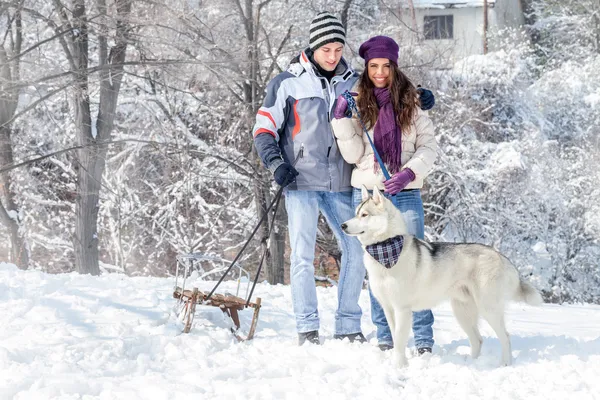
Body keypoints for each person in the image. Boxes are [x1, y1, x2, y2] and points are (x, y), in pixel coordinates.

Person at [253, 13, 435, 346]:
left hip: (342, 180)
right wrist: (276, 163)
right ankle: (307, 327)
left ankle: (348, 324)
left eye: (338, 49)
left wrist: (421, 96)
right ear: (313, 46)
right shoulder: (287, 82)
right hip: (300, 182)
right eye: (327, 49)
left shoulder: (353, 81)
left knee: (355, 249)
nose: (333, 56)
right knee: (302, 256)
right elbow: (263, 128)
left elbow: (388, 90)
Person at [331, 35, 437, 354]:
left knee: (415, 266)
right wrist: (340, 121)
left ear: (394, 66)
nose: (379, 72)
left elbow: (429, 147)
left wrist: (408, 173)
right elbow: (352, 156)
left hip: (404, 195)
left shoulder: (412, 102)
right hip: (368, 195)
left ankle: (422, 339)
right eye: (373, 66)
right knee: (377, 268)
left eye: (385, 66)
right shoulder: (358, 102)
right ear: (367, 67)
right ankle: (385, 337)